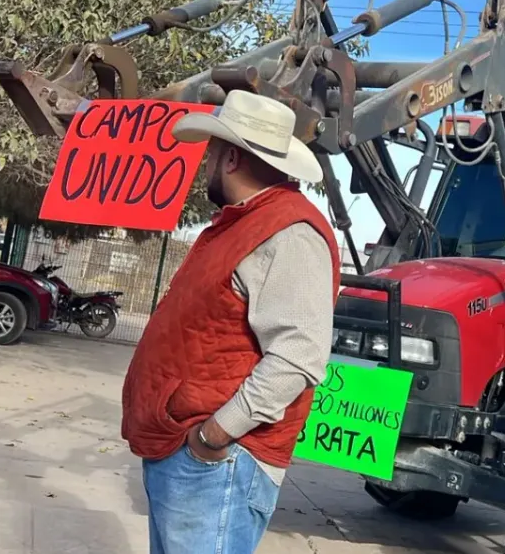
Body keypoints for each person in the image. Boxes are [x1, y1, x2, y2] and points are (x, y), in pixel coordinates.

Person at [121, 91, 341, 554]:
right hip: (193, 454)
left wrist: (212, 436)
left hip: (218, 461)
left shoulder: (289, 234)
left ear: (232, 158)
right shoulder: (245, 224)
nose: (207, 164)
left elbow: (298, 358)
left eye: (212, 153)